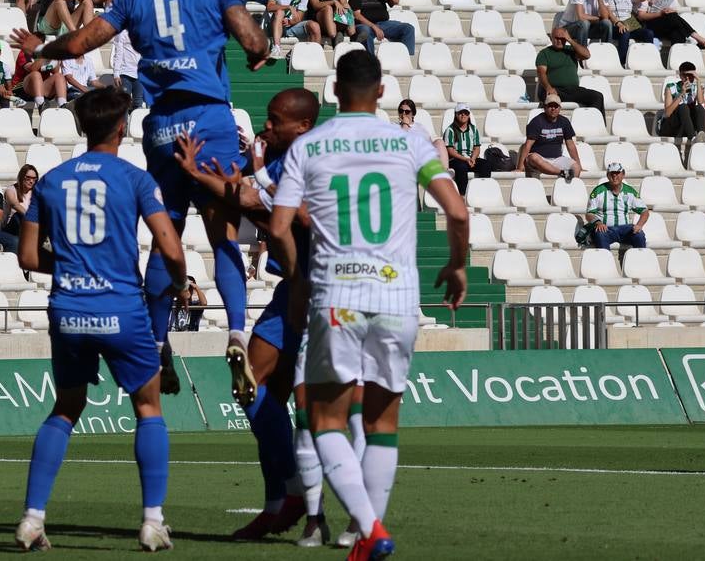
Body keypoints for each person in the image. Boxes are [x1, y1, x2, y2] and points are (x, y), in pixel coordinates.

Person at [9, 0, 269, 401]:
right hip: (209, 119)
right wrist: (261, 48)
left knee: (164, 229)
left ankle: (155, 340)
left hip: (163, 126)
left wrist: (42, 47)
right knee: (223, 234)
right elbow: (252, 39)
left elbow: (86, 40)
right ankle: (236, 331)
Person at [268, 50, 469, 561]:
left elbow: (277, 226)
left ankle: (368, 528)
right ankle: (364, 536)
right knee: (382, 422)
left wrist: (298, 275)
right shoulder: (410, 142)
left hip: (337, 294)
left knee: (324, 417)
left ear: (335, 91)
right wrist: (457, 265)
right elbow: (458, 211)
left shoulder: (309, 146)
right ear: (381, 92)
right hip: (398, 296)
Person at [14, 87, 188, 552]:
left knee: (66, 409)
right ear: (121, 127)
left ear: (81, 127)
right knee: (148, 408)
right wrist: (181, 282)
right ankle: (152, 521)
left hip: (68, 308)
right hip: (121, 308)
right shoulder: (134, 178)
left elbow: (28, 257)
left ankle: (32, 518)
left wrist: (71, 267)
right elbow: (170, 248)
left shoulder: (49, 182)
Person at [171, 88, 320, 540]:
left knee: (313, 412)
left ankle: (322, 506)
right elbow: (246, 196)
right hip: (288, 291)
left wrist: (254, 183)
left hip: (323, 294)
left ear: (303, 128)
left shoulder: (318, 163)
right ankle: (280, 501)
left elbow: (293, 212)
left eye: (276, 121)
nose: (267, 127)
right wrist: (197, 173)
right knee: (250, 383)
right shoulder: (276, 162)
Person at [536, 27, 605, 115]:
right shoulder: (544, 53)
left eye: (562, 38)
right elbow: (541, 73)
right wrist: (548, 87)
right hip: (554, 89)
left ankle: (596, 125)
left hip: (573, 90)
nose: (559, 41)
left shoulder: (571, 50)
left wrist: (570, 40)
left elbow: (587, 55)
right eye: (557, 38)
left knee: (597, 97)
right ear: (551, 38)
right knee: (551, 99)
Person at [349, 0, 415, 56]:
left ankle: (406, 58)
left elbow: (396, 1)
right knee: (365, 32)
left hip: (384, 24)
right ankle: (371, 62)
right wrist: (374, 27)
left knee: (408, 28)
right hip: (365, 25)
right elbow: (357, 15)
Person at [517, 93, 583, 180]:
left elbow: (570, 145)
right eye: (550, 106)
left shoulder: (564, 122)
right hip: (539, 159)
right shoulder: (537, 122)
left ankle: (571, 190)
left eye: (556, 106)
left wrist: (579, 165)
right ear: (545, 107)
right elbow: (528, 145)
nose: (553, 109)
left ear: (560, 108)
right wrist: (520, 167)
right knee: (534, 157)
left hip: (556, 159)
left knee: (576, 168)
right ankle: (562, 172)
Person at [584, 163, 649, 251]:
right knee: (600, 234)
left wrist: (639, 225)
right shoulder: (598, 191)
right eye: (612, 173)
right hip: (606, 229)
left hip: (625, 229)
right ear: (607, 175)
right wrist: (598, 223)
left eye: (617, 173)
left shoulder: (630, 191)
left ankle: (641, 262)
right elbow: (589, 214)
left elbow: (645, 212)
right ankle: (606, 262)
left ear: (623, 175)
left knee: (639, 234)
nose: (614, 176)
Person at [600, 0, 649, 67]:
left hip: (630, 23)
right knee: (625, 33)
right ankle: (621, 63)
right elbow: (607, 11)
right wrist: (618, 23)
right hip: (615, 24)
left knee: (648, 33)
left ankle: (646, 60)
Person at [443, 103, 485, 192]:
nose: (463, 115)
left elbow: (477, 148)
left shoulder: (474, 129)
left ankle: (481, 191)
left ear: (469, 115)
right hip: (455, 159)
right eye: (460, 113)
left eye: (466, 113)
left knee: (486, 165)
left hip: (470, 159)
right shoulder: (450, 130)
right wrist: (465, 159)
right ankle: (461, 195)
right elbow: (450, 151)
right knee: (461, 167)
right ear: (456, 114)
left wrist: (472, 158)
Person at [660, 61, 705, 140]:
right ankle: (693, 138)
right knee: (683, 107)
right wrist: (681, 93)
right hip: (672, 125)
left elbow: (701, 102)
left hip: (685, 125)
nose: (688, 78)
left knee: (699, 108)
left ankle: (701, 136)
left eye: (691, 75)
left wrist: (698, 80)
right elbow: (667, 113)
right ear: (680, 75)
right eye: (685, 75)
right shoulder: (671, 87)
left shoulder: (696, 87)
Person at [2, 164, 39, 238]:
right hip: (10, 229)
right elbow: (15, 204)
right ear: (21, 177)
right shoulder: (11, 190)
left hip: (29, 227)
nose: (31, 181)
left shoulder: (36, 193)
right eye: (28, 178)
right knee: (18, 215)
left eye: (34, 179)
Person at [109, 29, 143, 109]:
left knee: (138, 103)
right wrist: (116, 74)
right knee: (124, 103)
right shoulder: (121, 33)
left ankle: (136, 121)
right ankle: (124, 121)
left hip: (139, 73)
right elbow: (118, 54)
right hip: (125, 73)